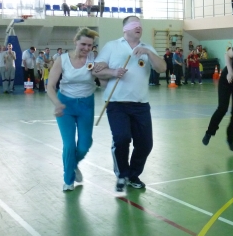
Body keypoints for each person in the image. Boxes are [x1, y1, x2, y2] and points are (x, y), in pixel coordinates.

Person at [94, 16, 167, 192]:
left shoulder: (147, 48)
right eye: (134, 24)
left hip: (141, 104)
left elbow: (162, 68)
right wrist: (113, 72)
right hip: (116, 103)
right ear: (125, 29)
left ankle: (133, 174)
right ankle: (122, 174)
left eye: (140, 24)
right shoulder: (112, 46)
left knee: (145, 143)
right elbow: (98, 70)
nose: (138, 27)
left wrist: (148, 53)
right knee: (122, 138)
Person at [47, 28, 99, 191]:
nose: (86, 48)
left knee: (85, 144)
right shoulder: (62, 60)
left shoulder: (94, 58)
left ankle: (73, 164)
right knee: (69, 144)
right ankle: (68, 180)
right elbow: (50, 86)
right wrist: (57, 103)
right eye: (83, 44)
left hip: (86, 104)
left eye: (90, 45)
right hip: (65, 105)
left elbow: (103, 77)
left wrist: (113, 74)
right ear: (75, 42)